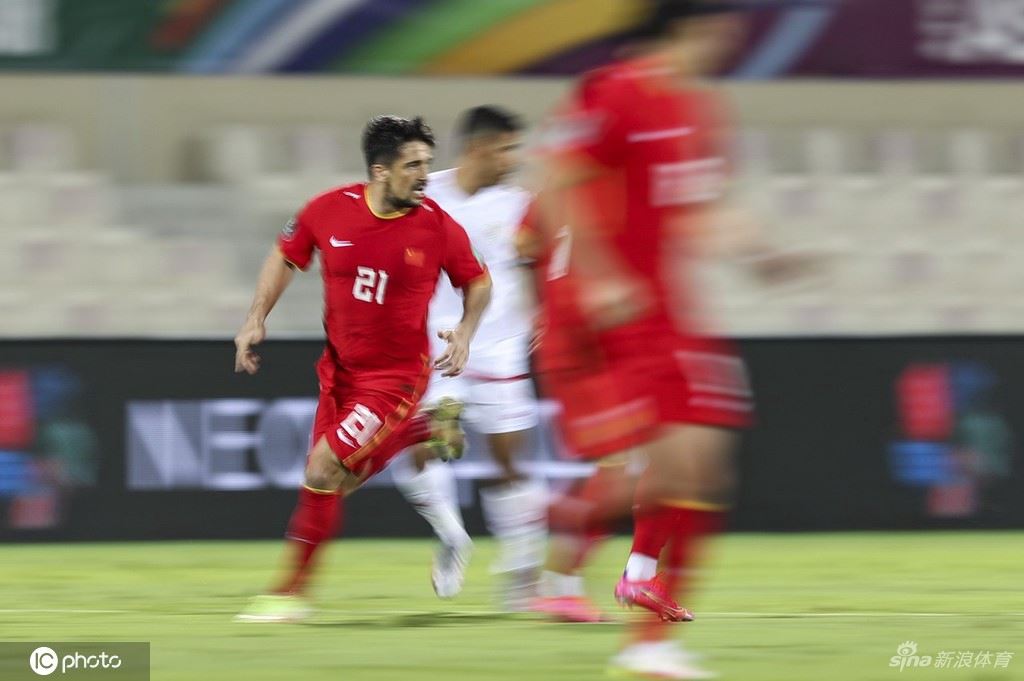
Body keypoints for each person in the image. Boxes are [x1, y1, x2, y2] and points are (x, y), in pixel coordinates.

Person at [530, 1, 786, 677]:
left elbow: (699, 213)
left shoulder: (700, 110)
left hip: (673, 310)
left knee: (705, 462)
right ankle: (603, 582)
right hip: (615, 313)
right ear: (688, 26)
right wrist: (599, 278)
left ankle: (649, 635)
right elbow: (556, 185)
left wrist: (762, 255)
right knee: (663, 463)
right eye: (721, 24)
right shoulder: (614, 91)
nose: (732, 36)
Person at [232, 115, 492, 622]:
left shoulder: (436, 225)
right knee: (335, 485)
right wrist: (255, 317)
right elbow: (285, 255)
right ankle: (425, 428)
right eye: (412, 165)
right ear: (380, 171)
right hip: (339, 372)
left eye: (427, 164)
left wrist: (464, 331)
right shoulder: (328, 210)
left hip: (395, 379)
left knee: (321, 470)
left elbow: (478, 281)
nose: (424, 175)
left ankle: (289, 596)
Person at [390, 106, 548, 608]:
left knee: (508, 463)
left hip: (501, 348)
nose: (513, 159)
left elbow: (538, 263)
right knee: (420, 447)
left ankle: (521, 573)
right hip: (439, 344)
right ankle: (452, 536)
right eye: (506, 149)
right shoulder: (424, 196)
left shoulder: (522, 206)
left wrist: (544, 313)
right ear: (478, 148)